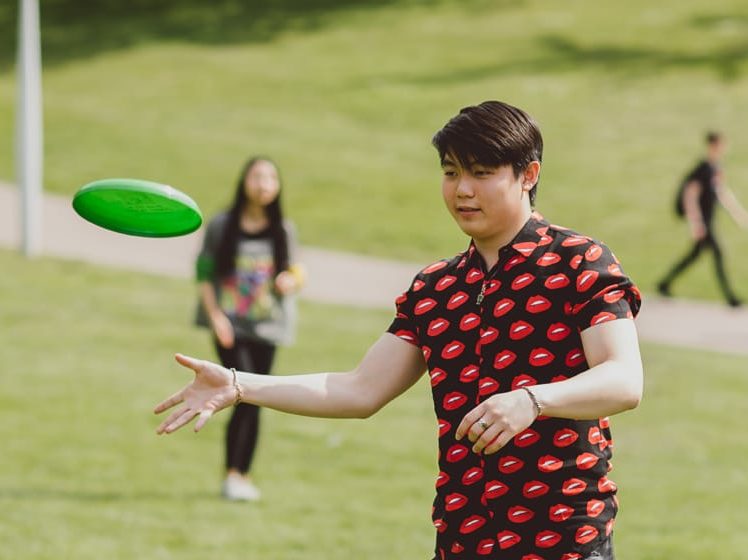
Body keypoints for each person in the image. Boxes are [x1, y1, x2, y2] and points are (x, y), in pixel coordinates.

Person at [156, 101, 643, 559]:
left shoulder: (580, 262)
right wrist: (241, 385)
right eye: (451, 173)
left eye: (481, 172)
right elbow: (358, 389)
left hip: (564, 538)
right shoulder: (436, 287)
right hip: (461, 536)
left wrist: (532, 400)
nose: (462, 190)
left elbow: (623, 380)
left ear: (528, 175)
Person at [194, 156, 303, 501]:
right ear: (244, 181)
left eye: (271, 177)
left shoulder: (282, 229)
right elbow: (203, 272)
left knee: (255, 399)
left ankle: (242, 475)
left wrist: (290, 280)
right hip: (231, 325)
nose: (263, 183)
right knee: (241, 392)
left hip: (268, 327)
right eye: (257, 176)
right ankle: (232, 475)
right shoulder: (222, 225)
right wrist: (215, 317)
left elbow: (298, 271)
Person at [657, 132, 748, 307]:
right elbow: (690, 196)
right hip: (704, 222)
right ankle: (730, 297)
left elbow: (721, 193)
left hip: (709, 221)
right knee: (718, 254)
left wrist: (738, 214)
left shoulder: (715, 168)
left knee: (694, 256)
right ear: (713, 145)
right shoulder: (703, 169)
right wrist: (696, 223)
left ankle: (664, 283)